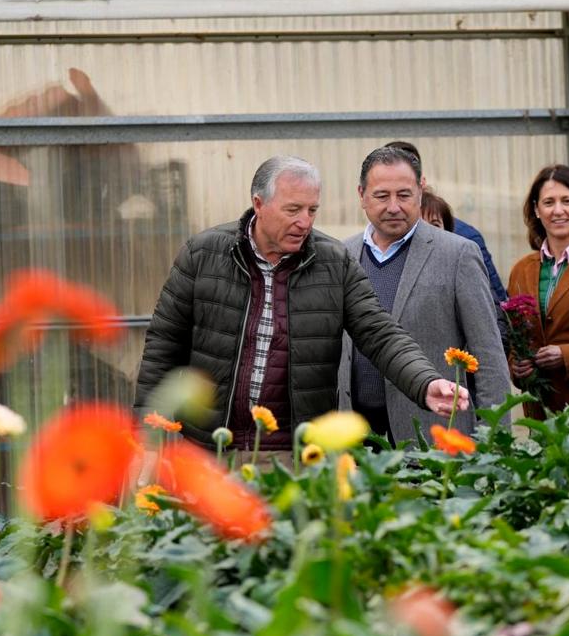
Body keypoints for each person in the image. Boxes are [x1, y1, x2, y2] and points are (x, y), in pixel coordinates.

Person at [134, 155, 468, 453]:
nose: (305, 222)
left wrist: (425, 381)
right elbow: (164, 345)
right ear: (259, 204)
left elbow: (379, 333)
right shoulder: (203, 255)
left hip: (293, 455)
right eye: (293, 210)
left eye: (312, 210)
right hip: (210, 449)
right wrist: (147, 434)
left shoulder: (333, 262)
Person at [338, 146, 510, 443]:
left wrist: (495, 445)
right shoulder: (341, 256)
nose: (394, 206)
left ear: (421, 190)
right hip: (355, 441)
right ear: (361, 195)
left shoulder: (457, 255)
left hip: (433, 441)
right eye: (382, 196)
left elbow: (489, 358)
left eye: (404, 195)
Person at [506, 164, 569, 420]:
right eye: (548, 202)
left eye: (567, 201)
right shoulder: (521, 270)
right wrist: (517, 366)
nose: (558, 210)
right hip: (540, 411)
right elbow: (516, 336)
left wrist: (568, 355)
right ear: (537, 211)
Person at [384, 141, 508, 306]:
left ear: (421, 183)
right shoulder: (376, 240)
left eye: (404, 186)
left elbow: (494, 305)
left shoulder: (465, 238)